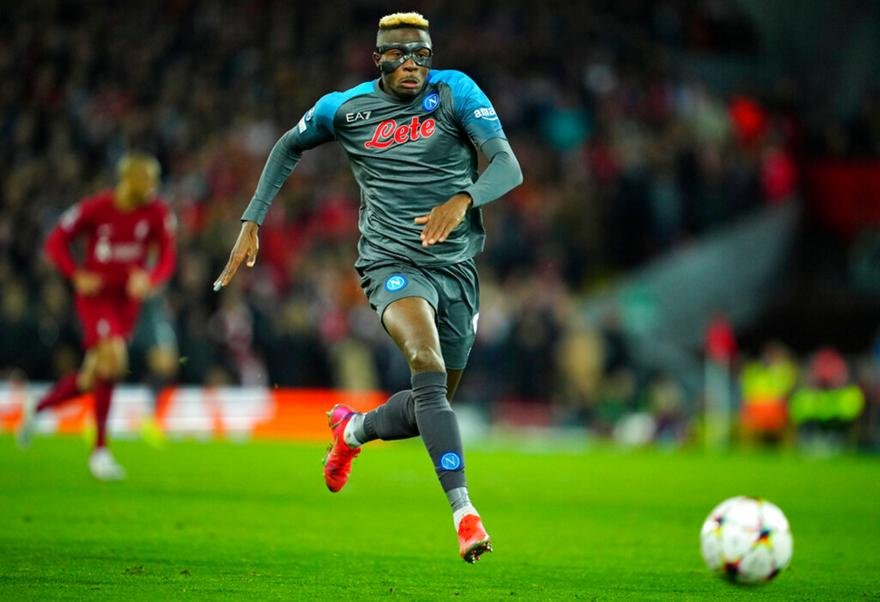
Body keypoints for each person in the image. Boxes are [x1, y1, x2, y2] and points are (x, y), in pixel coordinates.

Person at [214, 11, 522, 563]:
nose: (413, 66)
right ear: (378, 58)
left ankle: (352, 431)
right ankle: (464, 514)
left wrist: (464, 198)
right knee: (424, 360)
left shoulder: (455, 92)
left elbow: (506, 165)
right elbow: (287, 146)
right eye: (401, 55)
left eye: (422, 56)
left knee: (432, 404)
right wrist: (252, 219)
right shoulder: (345, 109)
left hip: (457, 269)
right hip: (389, 263)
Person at [17, 153, 177, 480]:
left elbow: (167, 256)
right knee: (115, 359)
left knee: (93, 377)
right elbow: (56, 240)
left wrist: (150, 279)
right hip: (97, 298)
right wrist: (75, 274)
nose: (153, 187)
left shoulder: (157, 212)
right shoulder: (97, 207)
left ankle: (38, 408)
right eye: (147, 179)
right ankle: (100, 451)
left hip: (126, 302)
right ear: (128, 180)